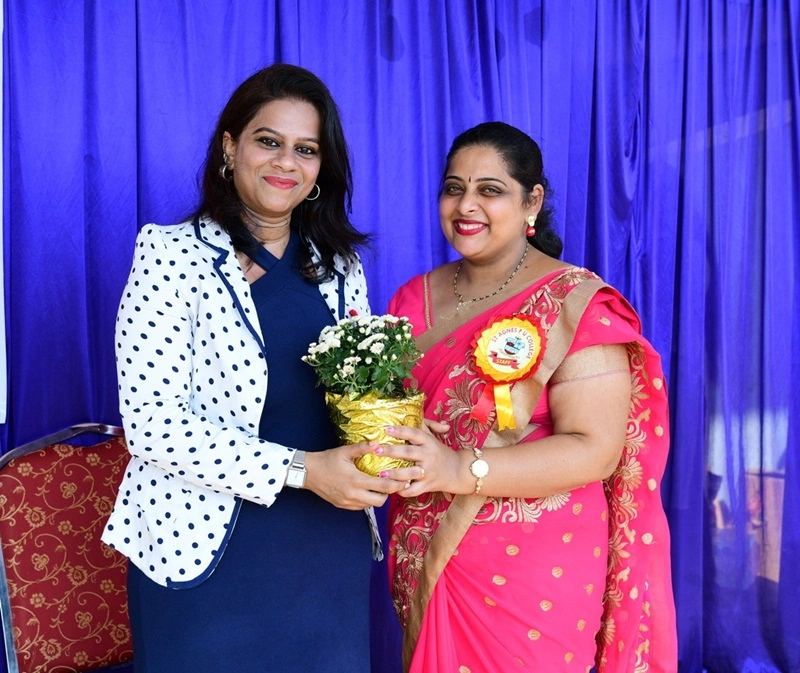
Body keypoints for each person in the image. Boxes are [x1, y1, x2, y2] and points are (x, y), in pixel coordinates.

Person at [102, 63, 405, 672]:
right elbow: (153, 427)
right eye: (269, 141)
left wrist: (397, 432)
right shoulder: (171, 255)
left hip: (327, 547)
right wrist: (303, 470)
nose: (285, 162)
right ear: (230, 147)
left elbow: (358, 394)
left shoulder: (340, 267)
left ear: (321, 167)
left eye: (306, 149)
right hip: (206, 551)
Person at [377, 122, 678, 672]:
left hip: (534, 572)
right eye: (453, 188)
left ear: (531, 201)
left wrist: (457, 466)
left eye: (490, 190)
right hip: (427, 548)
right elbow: (391, 415)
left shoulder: (576, 304)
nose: (466, 205)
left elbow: (595, 450)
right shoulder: (411, 298)